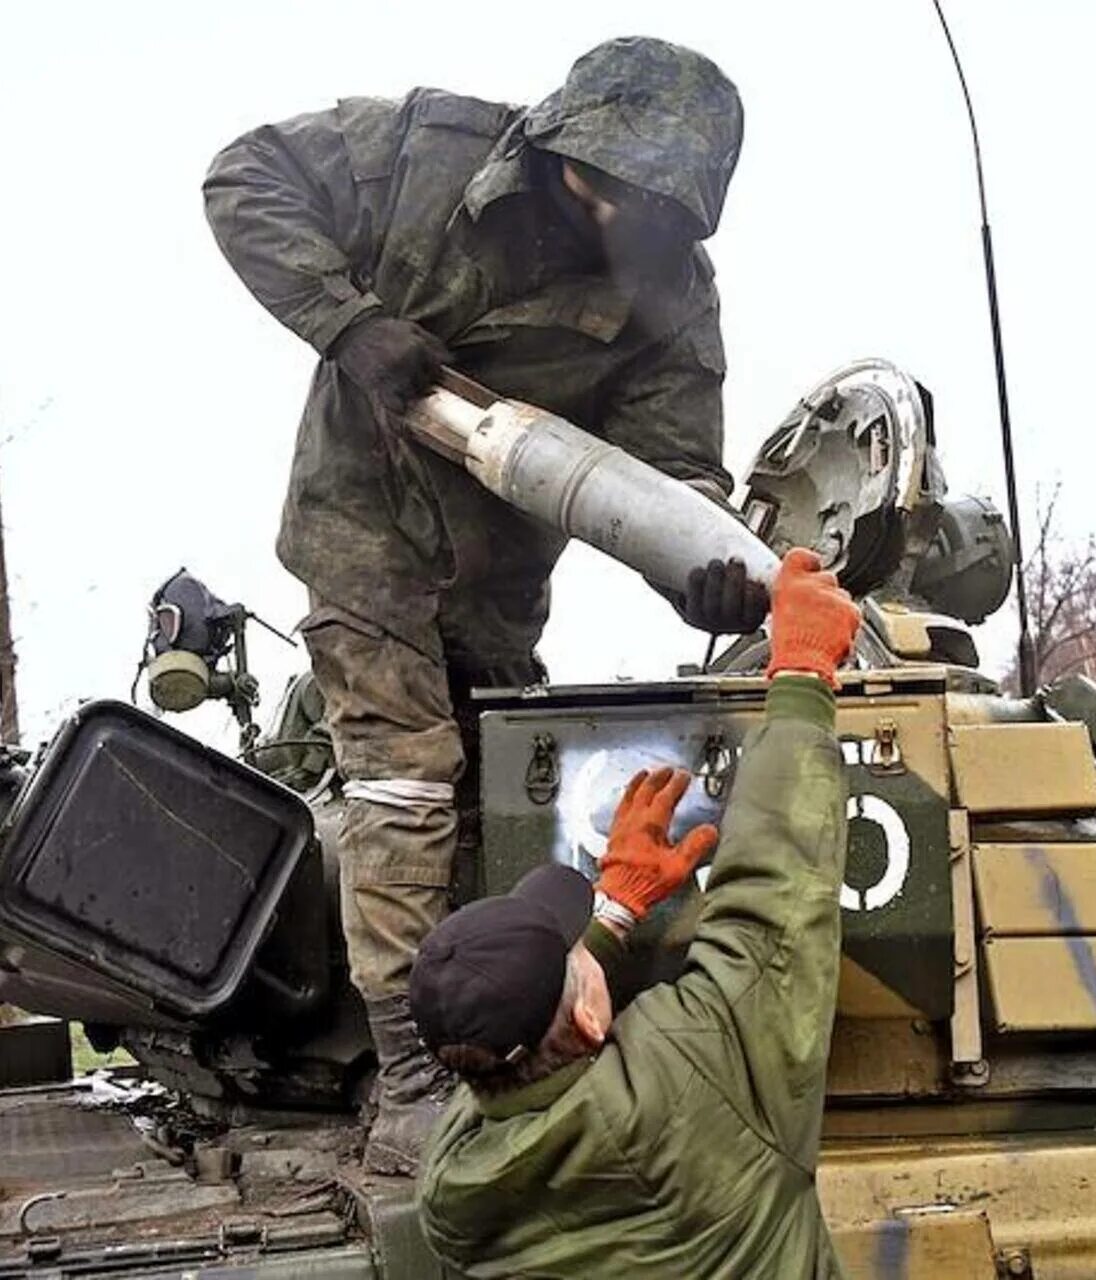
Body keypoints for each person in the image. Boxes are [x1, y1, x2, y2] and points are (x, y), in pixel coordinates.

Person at [203, 37, 767, 1174]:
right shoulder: (426, 154)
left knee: (487, 784)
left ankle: (503, 1031)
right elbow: (245, 177)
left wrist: (697, 559)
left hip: (502, 565)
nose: (643, 226)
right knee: (402, 778)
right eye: (626, 198)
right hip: (360, 523)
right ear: (577, 162)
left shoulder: (670, 289)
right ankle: (412, 1075)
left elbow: (672, 465)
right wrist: (350, 325)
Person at [413, 547, 859, 1278]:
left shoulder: (453, 1189)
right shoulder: (695, 1076)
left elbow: (507, 1064)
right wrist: (804, 677)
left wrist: (617, 912)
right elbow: (771, 913)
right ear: (592, 1017)